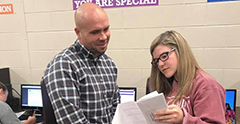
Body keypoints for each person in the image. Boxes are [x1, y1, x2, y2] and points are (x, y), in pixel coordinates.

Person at [41, 3, 120, 123]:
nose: (103, 37)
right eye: (95, 32)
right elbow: (72, 121)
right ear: (78, 33)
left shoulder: (109, 63)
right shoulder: (63, 65)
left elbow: (117, 111)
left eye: (106, 29)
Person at [148, 30, 226, 124]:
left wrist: (184, 119)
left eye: (164, 56)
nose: (160, 64)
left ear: (180, 52)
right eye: (156, 61)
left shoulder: (206, 85)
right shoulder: (169, 82)